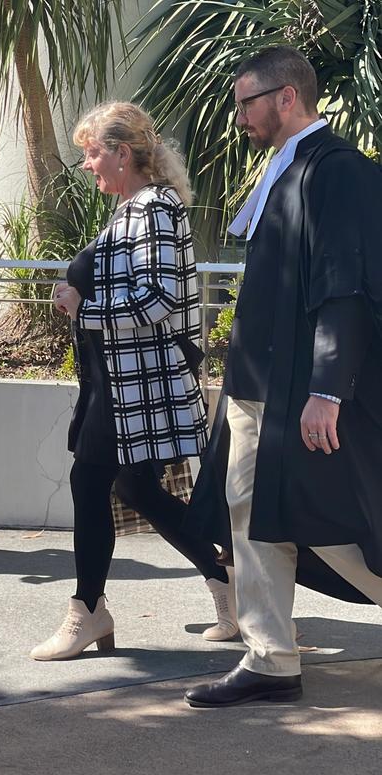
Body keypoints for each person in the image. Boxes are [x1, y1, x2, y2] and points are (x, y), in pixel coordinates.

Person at [184, 45, 382, 708]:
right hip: (256, 386)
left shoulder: (339, 172)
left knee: (336, 523)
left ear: (286, 98)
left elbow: (344, 284)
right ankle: (270, 658)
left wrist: (328, 386)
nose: (240, 116)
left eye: (247, 103)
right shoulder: (283, 168)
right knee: (250, 515)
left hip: (303, 388)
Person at [31, 101, 236, 662]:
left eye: (94, 153)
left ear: (124, 154)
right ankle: (225, 580)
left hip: (133, 385)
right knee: (134, 487)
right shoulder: (137, 207)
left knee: (90, 484)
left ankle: (87, 610)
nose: (88, 165)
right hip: (119, 382)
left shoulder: (150, 210)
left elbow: (158, 299)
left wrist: (83, 309)